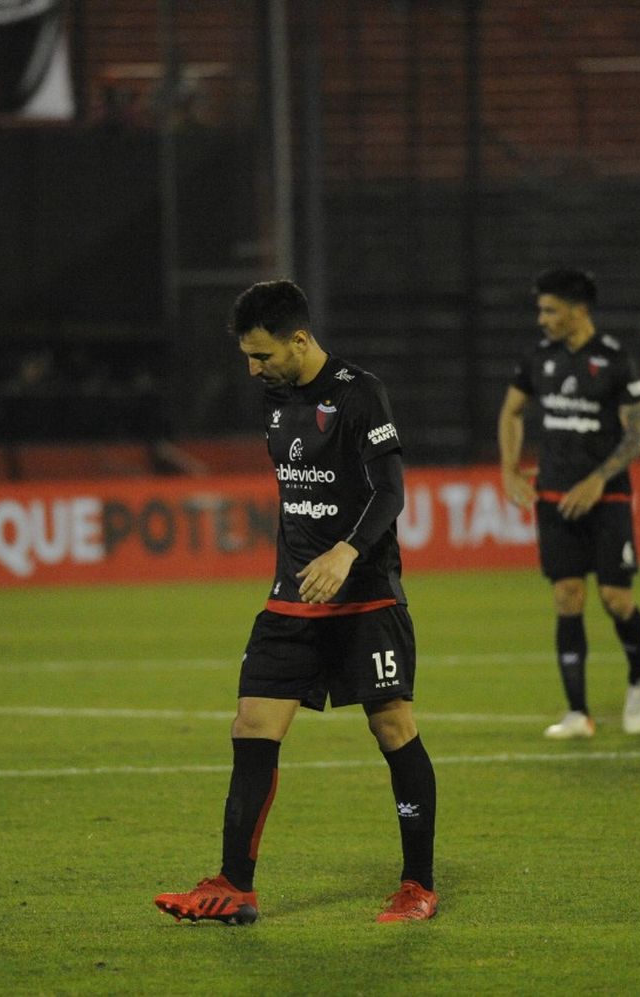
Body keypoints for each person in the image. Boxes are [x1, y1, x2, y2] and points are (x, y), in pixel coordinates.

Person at [154, 279, 438, 924]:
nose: (253, 369)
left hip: (366, 597)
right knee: (251, 726)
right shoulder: (277, 402)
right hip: (291, 600)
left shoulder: (361, 394)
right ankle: (234, 886)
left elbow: (388, 491)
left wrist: (346, 551)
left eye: (262, 356)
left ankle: (417, 884)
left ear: (300, 339)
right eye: (248, 357)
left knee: (392, 727)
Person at [497, 268, 640, 739]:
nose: (541, 319)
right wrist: (508, 468)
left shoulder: (614, 360)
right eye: (540, 309)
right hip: (553, 498)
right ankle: (578, 712)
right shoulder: (539, 358)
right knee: (567, 597)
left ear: (578, 310)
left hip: (607, 499)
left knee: (615, 598)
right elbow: (511, 411)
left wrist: (598, 480)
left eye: (550, 310)